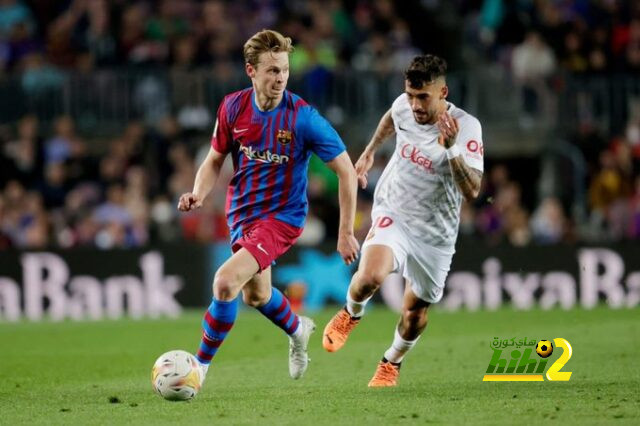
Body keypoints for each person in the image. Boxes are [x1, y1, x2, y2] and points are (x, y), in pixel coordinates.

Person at [178, 29, 359, 385]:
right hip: (242, 212)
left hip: (282, 217)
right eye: (272, 71)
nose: (280, 78)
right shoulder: (232, 107)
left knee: (225, 282)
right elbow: (214, 159)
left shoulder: (303, 118)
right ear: (251, 71)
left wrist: (346, 232)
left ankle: (198, 368)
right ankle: (297, 330)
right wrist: (199, 193)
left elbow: (347, 173)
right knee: (257, 295)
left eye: (284, 70)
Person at [322, 54, 484, 387]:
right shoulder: (404, 107)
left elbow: (472, 191)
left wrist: (452, 149)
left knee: (414, 315)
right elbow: (391, 118)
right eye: (410, 95)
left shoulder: (467, 128)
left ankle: (391, 362)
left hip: (435, 235)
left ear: (443, 93)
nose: (414, 104)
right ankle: (351, 313)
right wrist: (369, 151)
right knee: (369, 276)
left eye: (422, 97)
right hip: (394, 210)